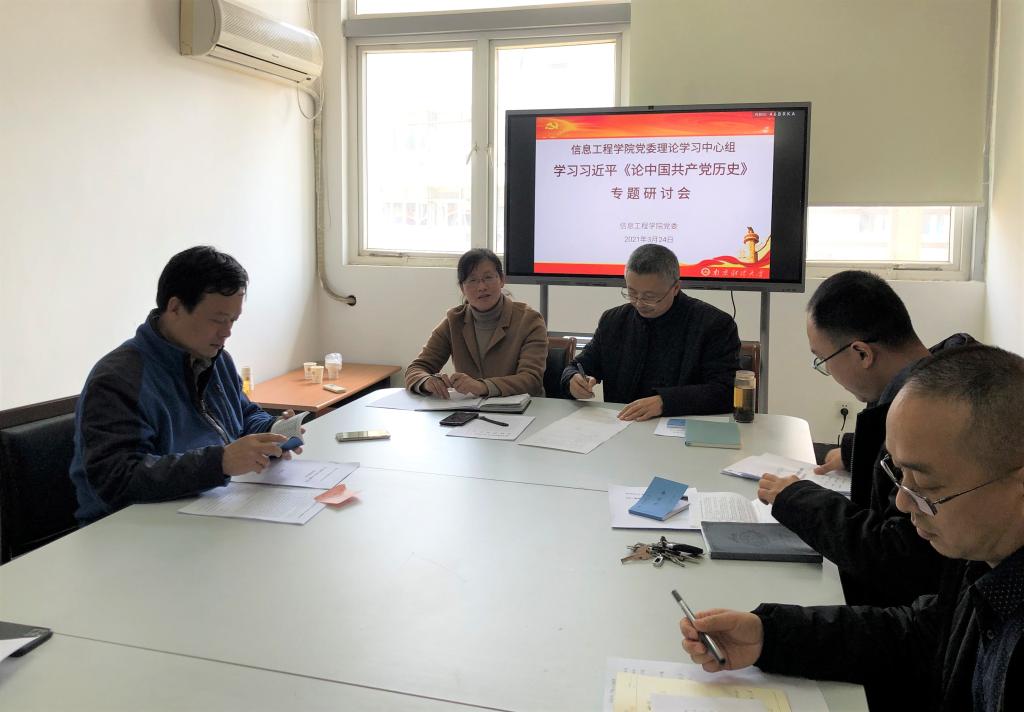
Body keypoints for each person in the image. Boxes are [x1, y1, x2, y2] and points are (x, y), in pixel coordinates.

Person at [681, 345, 1024, 712]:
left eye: (927, 486)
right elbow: (919, 636)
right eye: (898, 473)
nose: (903, 503)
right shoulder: (981, 559)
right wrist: (768, 635)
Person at [757, 270, 973, 606]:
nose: (828, 371)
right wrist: (854, 452)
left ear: (862, 353)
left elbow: (898, 556)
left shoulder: (934, 421)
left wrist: (799, 500)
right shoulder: (946, 376)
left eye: (824, 359)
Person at [70, 246, 295, 525]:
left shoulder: (216, 359)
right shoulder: (118, 379)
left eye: (233, 320)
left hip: (203, 510)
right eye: (217, 320)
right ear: (175, 307)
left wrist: (272, 431)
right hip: (128, 529)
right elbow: (117, 479)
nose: (227, 332)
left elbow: (243, 415)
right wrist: (220, 463)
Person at [559, 244, 738, 420]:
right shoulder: (613, 320)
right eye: (631, 293)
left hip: (683, 428)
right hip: (621, 427)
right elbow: (578, 366)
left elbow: (727, 390)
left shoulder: (714, 324)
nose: (639, 303)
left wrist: (664, 402)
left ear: (675, 288)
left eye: (650, 297)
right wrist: (572, 380)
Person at [405, 248, 547, 398]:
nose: (482, 287)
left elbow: (531, 380)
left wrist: (483, 386)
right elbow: (416, 368)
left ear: (502, 280)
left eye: (488, 277)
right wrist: (426, 381)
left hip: (524, 408)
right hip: (470, 409)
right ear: (462, 288)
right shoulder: (453, 321)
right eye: (472, 280)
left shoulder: (529, 320)